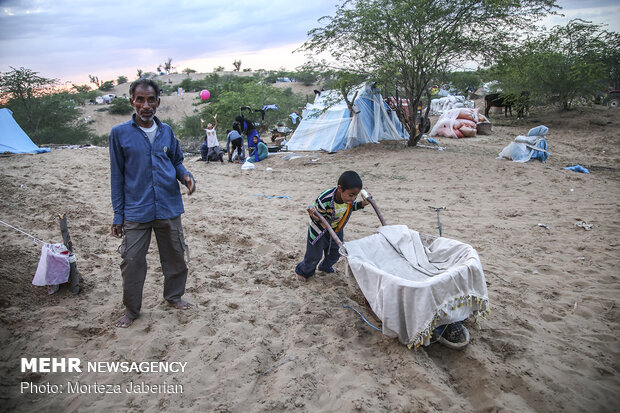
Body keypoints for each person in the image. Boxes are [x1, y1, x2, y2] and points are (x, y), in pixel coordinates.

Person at [109, 78, 195, 328]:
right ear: (132, 101)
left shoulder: (166, 131)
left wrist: (186, 177)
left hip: (168, 205)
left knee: (175, 255)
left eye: (150, 100)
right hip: (136, 209)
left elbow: (177, 161)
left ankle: (174, 296)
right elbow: (117, 176)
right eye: (140, 99)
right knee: (132, 260)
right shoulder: (119, 134)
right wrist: (118, 215)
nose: (145, 105)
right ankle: (132, 310)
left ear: (158, 102)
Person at [295, 171, 370, 281]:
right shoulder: (324, 199)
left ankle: (325, 266)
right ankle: (303, 272)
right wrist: (315, 217)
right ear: (340, 189)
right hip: (320, 231)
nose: (353, 198)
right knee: (314, 256)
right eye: (351, 195)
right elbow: (318, 219)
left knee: (336, 253)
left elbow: (352, 207)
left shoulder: (348, 200)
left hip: (336, 230)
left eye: (356, 195)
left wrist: (363, 204)